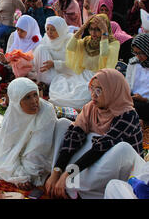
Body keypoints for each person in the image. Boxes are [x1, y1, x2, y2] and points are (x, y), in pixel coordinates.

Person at [46, 69, 144, 199]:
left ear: (112, 90)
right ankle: (64, 181)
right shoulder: (90, 108)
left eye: (99, 90)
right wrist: (57, 171)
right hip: (91, 160)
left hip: (117, 166)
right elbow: (75, 137)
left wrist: (68, 174)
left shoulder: (127, 115)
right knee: (63, 125)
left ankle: (75, 186)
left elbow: (101, 147)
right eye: (92, 89)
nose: (93, 95)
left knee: (122, 148)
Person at [0, 78, 57, 190]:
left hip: (41, 157)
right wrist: (18, 173)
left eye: (35, 94)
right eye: (27, 97)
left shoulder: (46, 111)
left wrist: (26, 175)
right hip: (23, 157)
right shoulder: (13, 113)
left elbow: (38, 149)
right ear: (16, 101)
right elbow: (6, 148)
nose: (34, 101)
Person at [49, 14, 120, 111]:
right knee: (60, 88)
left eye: (97, 29)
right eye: (91, 29)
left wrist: (104, 32)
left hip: (98, 78)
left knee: (84, 96)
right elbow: (70, 47)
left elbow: (104, 53)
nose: (93, 33)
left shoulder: (113, 44)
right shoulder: (86, 41)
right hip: (80, 75)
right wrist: (82, 27)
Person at [33, 16, 73, 85]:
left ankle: (50, 82)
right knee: (40, 48)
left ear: (60, 30)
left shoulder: (69, 41)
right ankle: (43, 81)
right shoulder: (46, 39)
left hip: (63, 73)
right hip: (46, 73)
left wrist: (54, 64)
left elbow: (73, 65)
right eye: (47, 29)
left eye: (53, 30)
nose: (49, 32)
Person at [126, 34, 149, 124]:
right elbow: (127, 84)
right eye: (136, 53)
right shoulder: (133, 63)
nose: (138, 56)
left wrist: (144, 99)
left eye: (141, 53)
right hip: (134, 100)